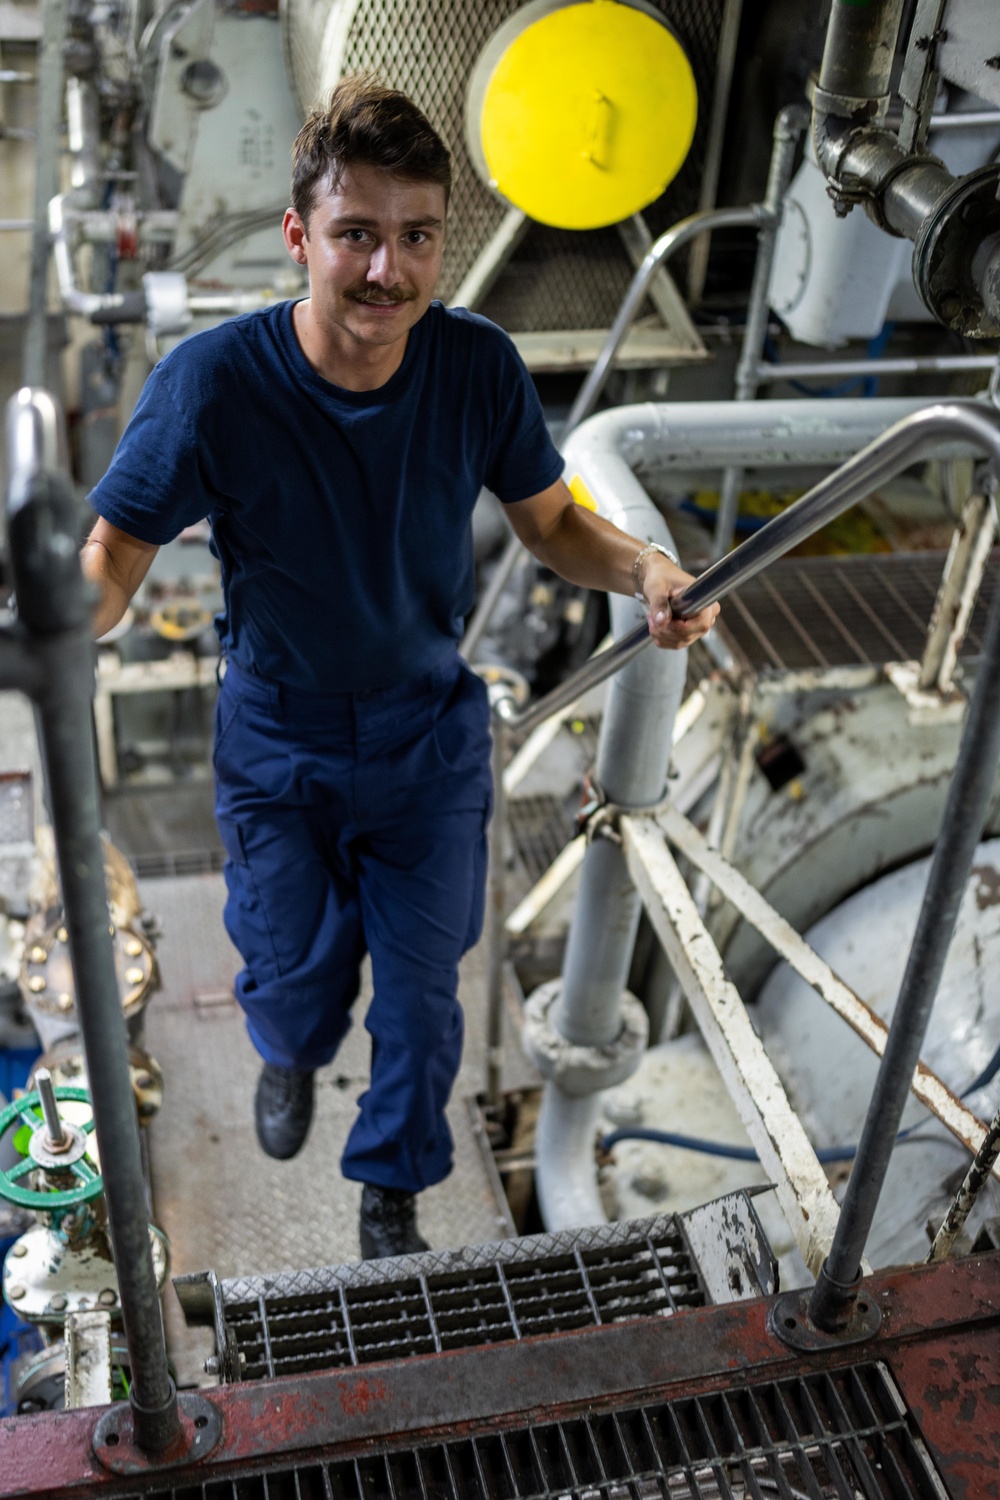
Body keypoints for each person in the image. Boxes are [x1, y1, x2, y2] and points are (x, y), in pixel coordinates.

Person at [82, 75, 720, 1258]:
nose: (387, 271)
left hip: (430, 738)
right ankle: (287, 1052)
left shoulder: (475, 367)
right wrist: (69, 625)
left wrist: (642, 569)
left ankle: (391, 1189)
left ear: (443, 241)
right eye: (356, 236)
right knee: (289, 967)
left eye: (415, 237)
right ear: (299, 238)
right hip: (280, 736)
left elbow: (549, 522)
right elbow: (115, 551)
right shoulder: (214, 383)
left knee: (424, 1002)